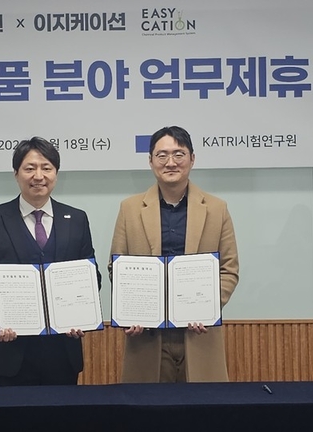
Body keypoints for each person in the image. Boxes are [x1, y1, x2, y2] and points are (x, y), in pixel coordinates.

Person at [0, 136, 101, 386]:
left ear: (56, 174)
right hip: (10, 351)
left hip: (63, 351)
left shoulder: (77, 219)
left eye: (46, 168)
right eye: (30, 168)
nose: (38, 176)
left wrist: (81, 315)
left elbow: (90, 277)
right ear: (16, 174)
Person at [109, 125, 239, 383]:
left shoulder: (217, 208)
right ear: (150, 161)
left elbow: (229, 269)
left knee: (202, 405)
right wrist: (132, 310)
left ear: (192, 159)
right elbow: (118, 267)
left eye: (179, 154)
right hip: (147, 336)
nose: (170, 162)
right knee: (149, 406)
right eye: (162, 155)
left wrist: (207, 307)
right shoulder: (129, 208)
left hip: (198, 334)